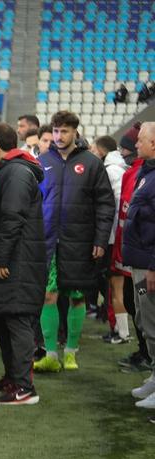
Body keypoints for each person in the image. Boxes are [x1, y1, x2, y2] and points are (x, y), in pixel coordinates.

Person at [33, 111, 116, 373]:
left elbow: (105, 204)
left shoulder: (91, 163)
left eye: (64, 131)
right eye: (56, 131)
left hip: (80, 243)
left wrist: (100, 239)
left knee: (77, 297)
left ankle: (71, 351)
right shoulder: (42, 162)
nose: (59, 136)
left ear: (75, 133)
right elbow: (33, 202)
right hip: (49, 243)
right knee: (48, 296)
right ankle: (51, 354)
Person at [0, 123, 46, 405]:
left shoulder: (15, 172)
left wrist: (1, 257)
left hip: (17, 261)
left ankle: (25, 388)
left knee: (17, 319)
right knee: (6, 318)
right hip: (16, 259)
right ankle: (14, 379)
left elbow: (12, 217)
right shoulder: (10, 170)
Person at [117, 122, 155, 408]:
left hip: (149, 265)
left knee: (152, 322)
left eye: (141, 140)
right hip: (140, 262)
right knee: (144, 319)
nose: (136, 144)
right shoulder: (146, 172)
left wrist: (153, 265)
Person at [91, 135, 129, 343]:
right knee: (115, 286)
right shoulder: (118, 168)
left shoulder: (111, 170)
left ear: (100, 150)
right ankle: (119, 330)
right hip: (116, 235)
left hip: (114, 237)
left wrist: (107, 234)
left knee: (116, 286)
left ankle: (122, 332)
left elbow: (115, 205)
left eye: (93, 149)